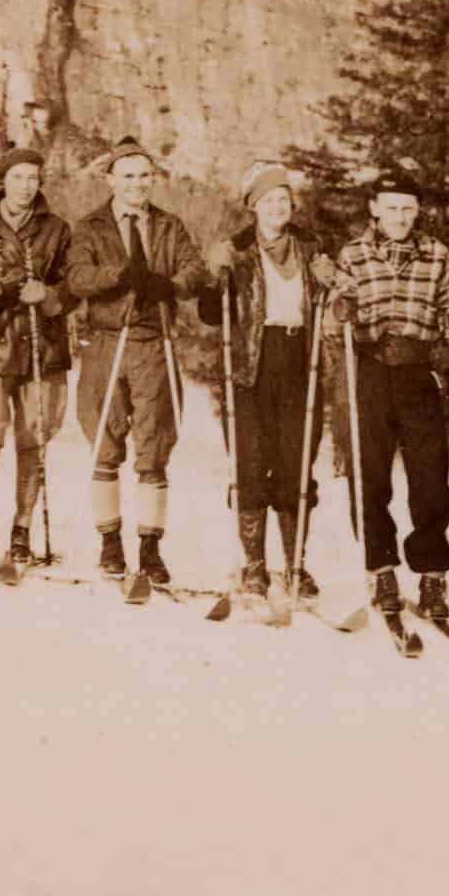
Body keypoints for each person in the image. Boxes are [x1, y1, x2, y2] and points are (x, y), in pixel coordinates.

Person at [325, 169, 449, 619]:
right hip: (370, 370)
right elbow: (337, 310)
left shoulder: (435, 254)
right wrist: (343, 311)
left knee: (430, 479)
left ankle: (432, 574)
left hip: (417, 371)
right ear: (374, 209)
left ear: (418, 212)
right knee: (369, 476)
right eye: (391, 208)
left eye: (407, 209)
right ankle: (382, 567)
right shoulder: (353, 254)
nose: (399, 216)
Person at [65, 136, 203, 585]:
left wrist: (168, 284)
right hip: (107, 340)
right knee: (104, 441)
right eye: (128, 176)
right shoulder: (91, 226)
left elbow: (194, 270)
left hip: (152, 340)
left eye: (144, 176)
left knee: (154, 444)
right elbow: (78, 277)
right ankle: (109, 542)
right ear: (111, 180)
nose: (137, 184)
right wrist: (118, 275)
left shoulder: (169, 225)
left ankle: (150, 547)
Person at [197, 162, 336, 598]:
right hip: (248, 367)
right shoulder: (235, 249)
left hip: (300, 362)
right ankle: (254, 566)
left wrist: (332, 284)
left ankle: (295, 565)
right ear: (253, 207)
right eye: (268, 201)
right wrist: (211, 277)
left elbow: (333, 302)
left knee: (296, 467)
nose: (278, 208)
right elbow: (207, 314)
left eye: (284, 200)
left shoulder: (312, 248)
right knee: (251, 464)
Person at [0, 147, 73, 565]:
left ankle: (21, 527)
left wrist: (51, 295)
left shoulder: (58, 230)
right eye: (18, 177)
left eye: (33, 178)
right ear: (2, 179)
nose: (26, 186)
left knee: (33, 440)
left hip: (43, 347)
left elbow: (74, 287)